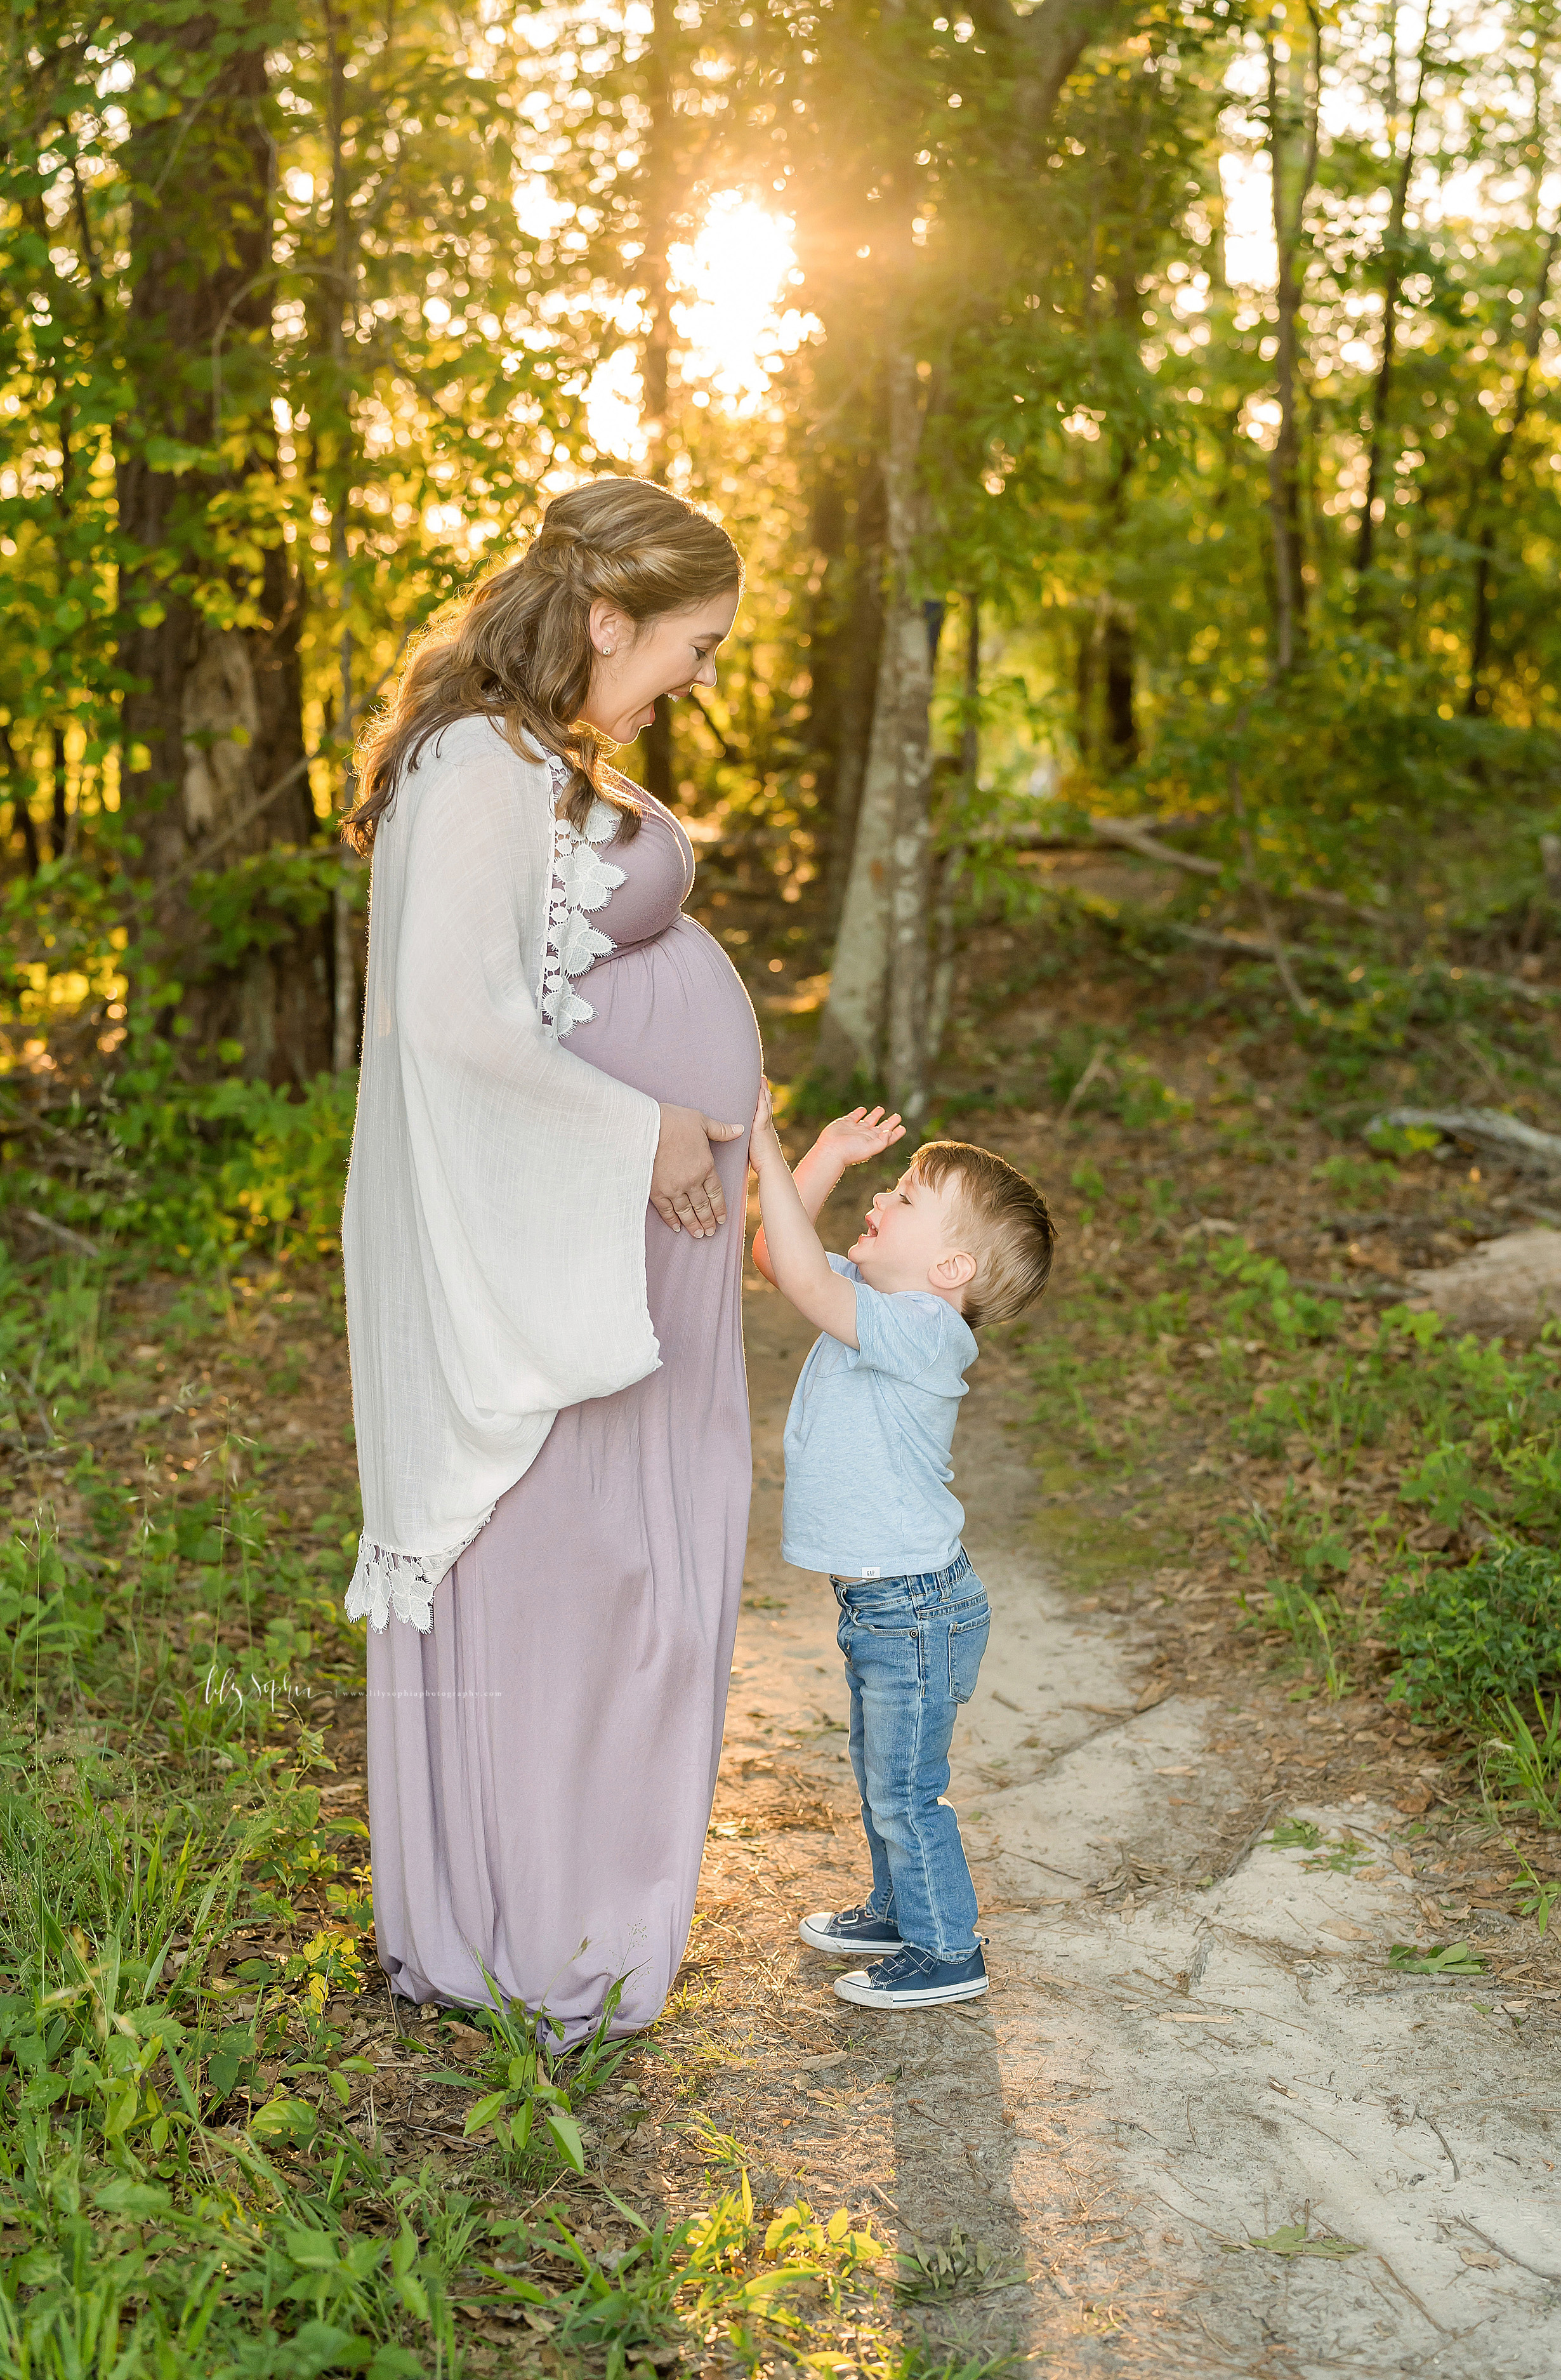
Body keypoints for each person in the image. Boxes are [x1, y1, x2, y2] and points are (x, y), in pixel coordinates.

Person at [340, 477, 762, 2040]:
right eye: (693, 646)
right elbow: (449, 1022)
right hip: (563, 1238)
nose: (701, 677)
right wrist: (641, 1123)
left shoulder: (538, 755)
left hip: (632, 1241)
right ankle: (520, 1923)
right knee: (559, 1565)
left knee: (632, 1565)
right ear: (605, 620)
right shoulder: (471, 765)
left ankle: (586, 1894)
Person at [748, 1091, 1055, 2010]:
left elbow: (802, 1278)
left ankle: (945, 1949)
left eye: (909, 1197)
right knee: (880, 1771)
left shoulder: (926, 1330)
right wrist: (823, 1157)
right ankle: (899, 1908)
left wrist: (764, 1141)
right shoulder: (876, 1293)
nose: (884, 1194)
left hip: (914, 1606)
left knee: (906, 1788)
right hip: (886, 1604)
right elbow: (773, 1252)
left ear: (952, 1265)